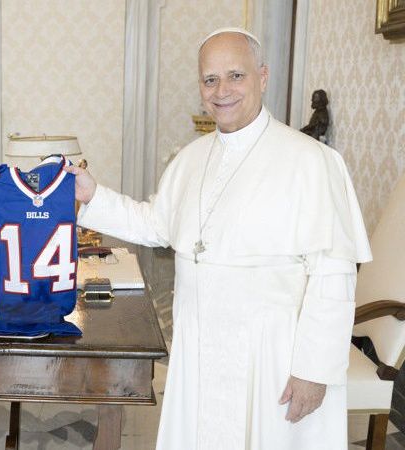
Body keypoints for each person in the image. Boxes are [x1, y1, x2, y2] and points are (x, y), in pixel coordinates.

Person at [65, 27, 371, 449]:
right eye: (210, 79)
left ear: (262, 77)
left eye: (235, 76)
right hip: (200, 346)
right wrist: (92, 194)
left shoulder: (312, 161)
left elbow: (334, 274)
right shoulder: (191, 159)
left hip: (275, 357)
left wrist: (314, 371)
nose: (221, 90)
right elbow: (156, 224)